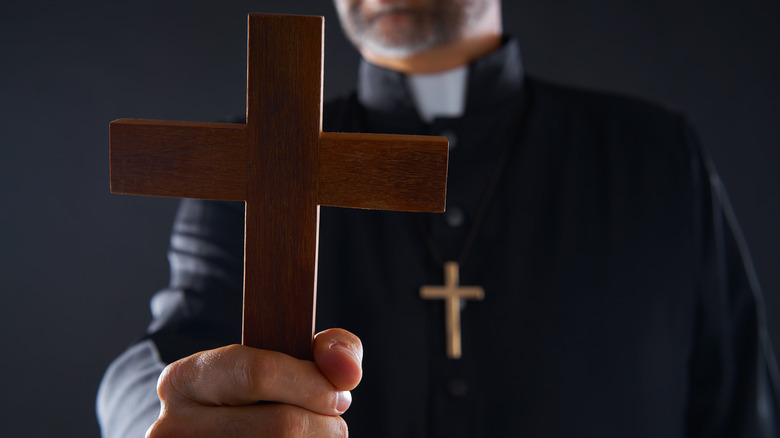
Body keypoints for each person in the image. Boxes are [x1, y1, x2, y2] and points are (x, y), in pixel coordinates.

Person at [97, 0, 780, 436]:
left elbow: (742, 406)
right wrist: (155, 418)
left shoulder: (655, 153)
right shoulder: (256, 155)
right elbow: (167, 358)